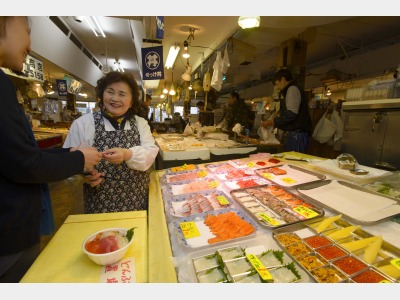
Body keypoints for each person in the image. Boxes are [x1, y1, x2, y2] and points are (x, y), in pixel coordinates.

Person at [0, 16, 102, 283]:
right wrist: (79, 158)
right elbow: (25, 164)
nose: (30, 45)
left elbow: (16, 156)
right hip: (8, 233)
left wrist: (69, 155)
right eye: (27, 30)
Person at [63, 71, 159, 214]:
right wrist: (84, 176)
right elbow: (67, 166)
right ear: (102, 95)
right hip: (99, 202)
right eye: (110, 92)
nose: (115, 98)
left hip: (137, 200)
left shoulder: (141, 124)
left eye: (122, 94)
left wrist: (127, 154)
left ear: (131, 101)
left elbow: (150, 154)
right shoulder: (83, 124)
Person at [261, 69, 312, 153]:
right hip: (296, 134)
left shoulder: (292, 89)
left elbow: (292, 113)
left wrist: (273, 121)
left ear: (283, 79)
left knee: (294, 162)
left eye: (277, 84)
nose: (277, 87)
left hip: (297, 135)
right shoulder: (291, 89)